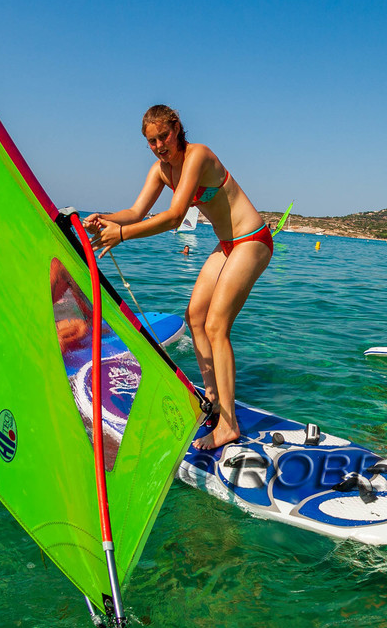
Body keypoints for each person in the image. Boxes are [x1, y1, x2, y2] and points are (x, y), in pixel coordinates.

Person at [86, 105, 273, 450]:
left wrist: (122, 235)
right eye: (151, 141)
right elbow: (136, 212)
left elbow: (174, 217)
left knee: (217, 325)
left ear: (177, 129)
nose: (159, 145)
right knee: (195, 316)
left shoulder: (197, 156)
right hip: (228, 244)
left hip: (253, 240)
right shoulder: (161, 171)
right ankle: (214, 401)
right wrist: (106, 219)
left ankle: (230, 425)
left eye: (164, 136)